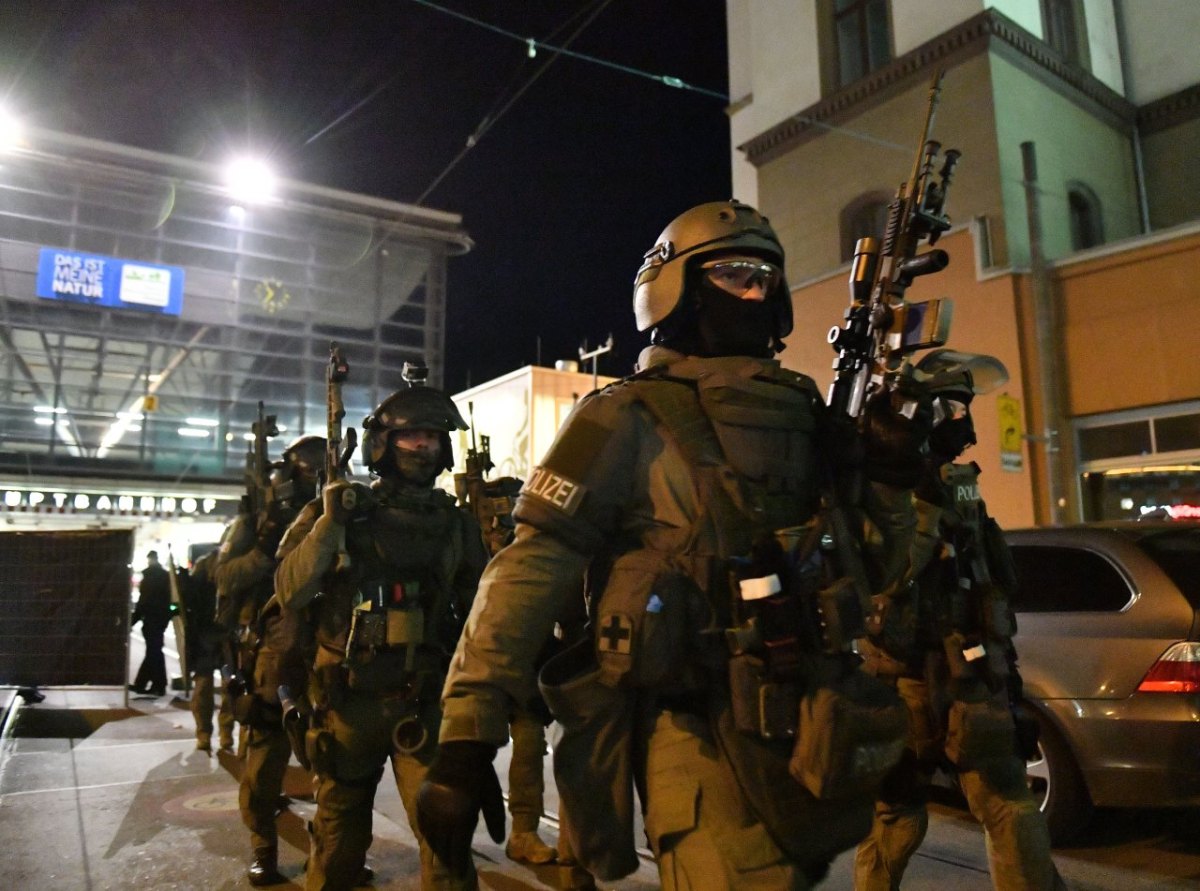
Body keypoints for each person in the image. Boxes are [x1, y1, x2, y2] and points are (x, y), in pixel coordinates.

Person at [416, 200, 930, 889]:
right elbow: (531, 564)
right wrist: (468, 731)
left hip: (806, 724)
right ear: (675, 286)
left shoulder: (809, 416)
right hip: (691, 728)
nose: (755, 293)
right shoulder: (619, 415)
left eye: (766, 278)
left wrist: (890, 485)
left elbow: (874, 570)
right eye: (734, 274)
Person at [853, 349, 1066, 890]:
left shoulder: (958, 484)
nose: (960, 421)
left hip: (972, 672)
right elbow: (887, 580)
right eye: (947, 406)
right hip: (904, 679)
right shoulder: (882, 492)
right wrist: (923, 509)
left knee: (1006, 804)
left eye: (962, 407)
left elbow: (996, 575)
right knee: (896, 814)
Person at [275, 381, 490, 890]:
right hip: (348, 705)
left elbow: (484, 611)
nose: (423, 446)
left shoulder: (456, 526)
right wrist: (330, 523)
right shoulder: (341, 512)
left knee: (447, 843)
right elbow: (290, 591)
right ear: (383, 446)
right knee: (339, 847)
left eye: (433, 438)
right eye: (411, 436)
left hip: (424, 699)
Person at [214, 434, 326, 887]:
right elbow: (222, 575)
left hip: (327, 646)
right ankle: (263, 847)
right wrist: (263, 548)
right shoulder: (256, 521)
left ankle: (337, 850)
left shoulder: (335, 515)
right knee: (264, 765)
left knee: (340, 766)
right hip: (271, 651)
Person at [180, 545, 233, 753]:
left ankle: (211, 733)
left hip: (215, 637)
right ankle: (218, 733)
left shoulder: (207, 566)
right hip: (215, 637)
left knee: (215, 687)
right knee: (220, 687)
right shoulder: (223, 565)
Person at [129, 550, 172, 697]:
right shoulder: (166, 576)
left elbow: (143, 602)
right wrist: (169, 615)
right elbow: (171, 600)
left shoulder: (149, 577)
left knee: (154, 652)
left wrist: (132, 621)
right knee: (154, 652)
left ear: (149, 560)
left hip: (151, 619)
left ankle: (157, 685)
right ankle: (147, 684)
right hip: (160, 619)